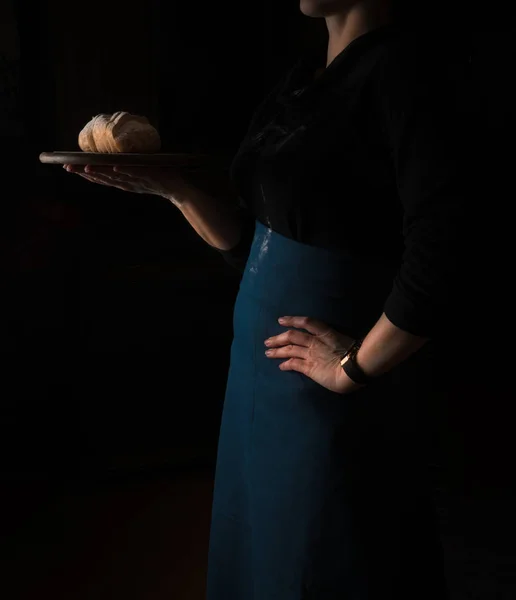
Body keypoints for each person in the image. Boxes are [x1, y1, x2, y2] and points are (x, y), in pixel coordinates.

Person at [64, 1, 476, 597]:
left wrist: (355, 366)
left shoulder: (407, 71)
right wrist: (172, 188)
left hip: (330, 384)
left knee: (326, 558)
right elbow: (245, 237)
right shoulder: (304, 76)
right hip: (258, 367)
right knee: (260, 554)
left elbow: (447, 249)